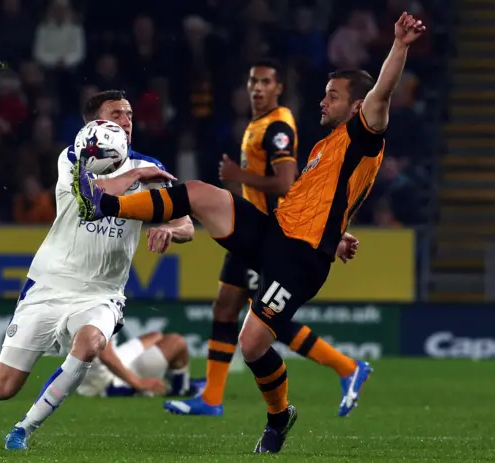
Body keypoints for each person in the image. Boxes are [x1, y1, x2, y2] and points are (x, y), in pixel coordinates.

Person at [72, 13, 425, 454]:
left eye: (332, 96)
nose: (322, 102)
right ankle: (109, 203)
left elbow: (383, 91)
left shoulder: (363, 133)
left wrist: (399, 44)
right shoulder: (324, 145)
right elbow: (320, 201)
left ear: (357, 106)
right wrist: (337, 233)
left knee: (253, 343)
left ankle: (279, 418)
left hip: (300, 260)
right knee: (200, 194)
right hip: (277, 232)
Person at [0, 89, 195, 451]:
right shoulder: (72, 159)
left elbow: (188, 224)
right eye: (116, 115)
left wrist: (170, 228)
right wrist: (141, 178)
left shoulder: (149, 167)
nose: (126, 122)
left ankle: (24, 429)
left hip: (102, 293)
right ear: (94, 126)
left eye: (129, 115)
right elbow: (95, 199)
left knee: (89, 345)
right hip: (49, 285)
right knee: (5, 389)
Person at [163, 59, 370, 418]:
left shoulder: (278, 127)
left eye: (265, 82)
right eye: (252, 81)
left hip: (273, 236)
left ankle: (346, 367)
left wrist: (237, 174)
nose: (257, 88)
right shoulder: (258, 125)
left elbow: (287, 183)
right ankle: (212, 397)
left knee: (264, 322)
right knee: (230, 309)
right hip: (257, 233)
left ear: (278, 89)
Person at [76, 330, 205, 398]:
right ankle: (180, 390)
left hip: (92, 371)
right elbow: (106, 355)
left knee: (155, 336)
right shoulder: (101, 301)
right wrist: (138, 382)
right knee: (177, 342)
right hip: (106, 381)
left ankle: (174, 381)